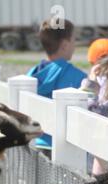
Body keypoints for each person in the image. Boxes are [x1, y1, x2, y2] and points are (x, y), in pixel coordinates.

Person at [27, 19, 87, 155]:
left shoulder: (30, 75)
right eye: (74, 40)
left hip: (36, 144)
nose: (75, 45)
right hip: (64, 148)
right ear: (65, 45)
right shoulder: (78, 78)